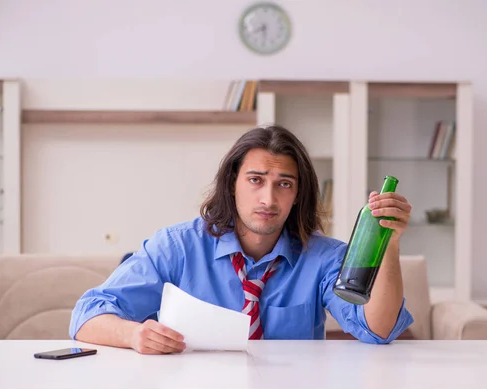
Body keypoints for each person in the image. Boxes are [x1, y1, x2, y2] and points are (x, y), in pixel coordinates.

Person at [70, 124, 414, 355]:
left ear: (298, 195)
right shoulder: (177, 247)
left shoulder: (322, 257)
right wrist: (132, 335)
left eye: (284, 184)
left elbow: (378, 330)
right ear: (232, 183)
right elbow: (86, 316)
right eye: (255, 180)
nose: (268, 199)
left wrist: (391, 243)